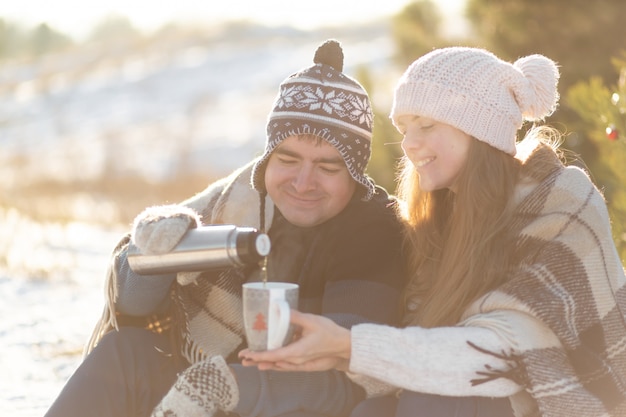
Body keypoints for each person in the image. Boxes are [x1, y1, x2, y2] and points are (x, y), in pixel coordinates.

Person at [239, 46, 626, 417]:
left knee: (430, 405)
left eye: (426, 125)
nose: (408, 144)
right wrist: (337, 354)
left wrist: (352, 345)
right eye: (405, 128)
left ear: (479, 131)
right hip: (478, 397)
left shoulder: (559, 201)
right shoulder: (436, 217)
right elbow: (419, 353)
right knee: (372, 410)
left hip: (572, 398)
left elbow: (503, 354)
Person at [44, 39, 406, 417]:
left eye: (328, 168)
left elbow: (348, 379)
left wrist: (224, 386)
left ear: (355, 173)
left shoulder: (373, 231)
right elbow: (130, 306)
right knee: (125, 353)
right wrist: (153, 250)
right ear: (266, 161)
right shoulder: (237, 201)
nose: (303, 182)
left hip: (283, 403)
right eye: (287, 159)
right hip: (207, 383)